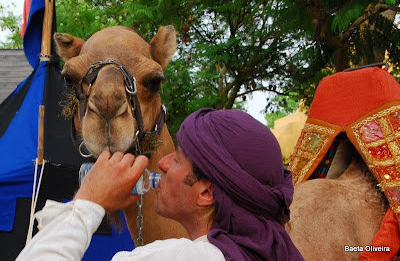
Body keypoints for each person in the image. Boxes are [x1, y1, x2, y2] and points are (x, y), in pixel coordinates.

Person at [17, 108, 304, 260]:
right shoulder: (271, 251)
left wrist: (88, 201)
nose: (163, 163)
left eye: (177, 160)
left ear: (205, 192)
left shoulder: (180, 257)